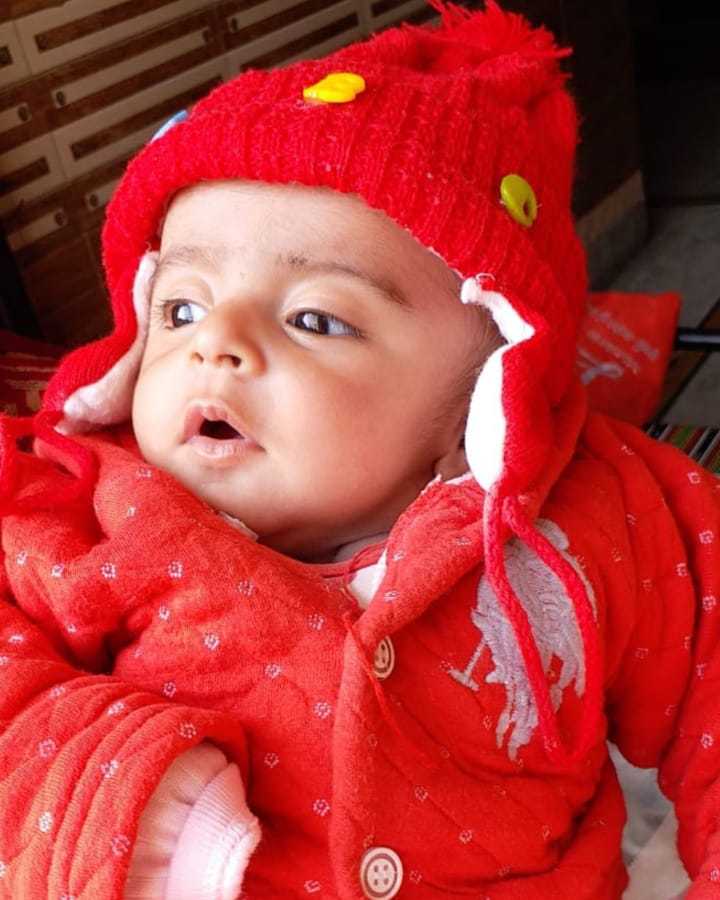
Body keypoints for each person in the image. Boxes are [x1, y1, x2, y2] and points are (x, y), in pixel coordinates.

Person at [0, 2, 717, 898]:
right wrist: (123, 790)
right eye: (181, 308)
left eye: (314, 319)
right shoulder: (83, 510)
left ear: (488, 392)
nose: (215, 342)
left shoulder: (600, 513)